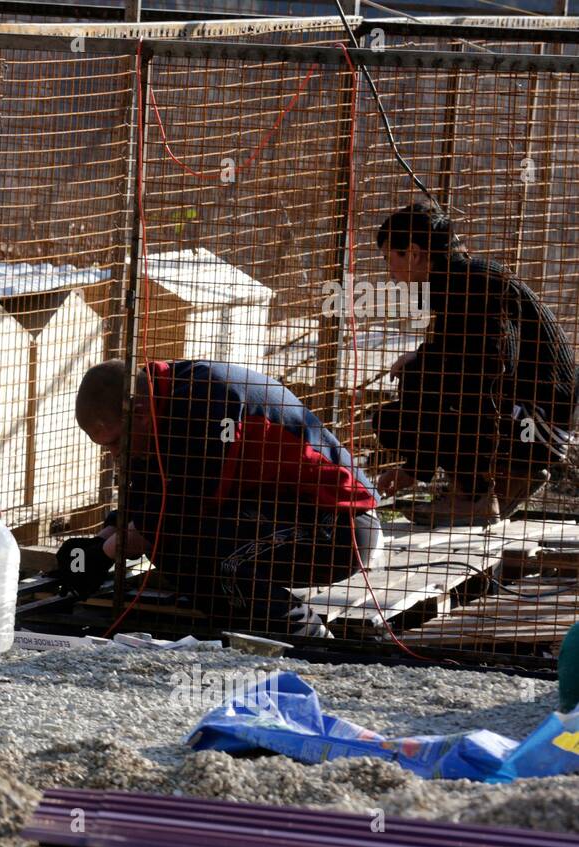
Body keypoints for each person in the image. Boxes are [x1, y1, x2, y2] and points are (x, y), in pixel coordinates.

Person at [57, 358, 382, 642]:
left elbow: (184, 508)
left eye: (115, 443)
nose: (115, 455)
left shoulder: (210, 402)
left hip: (342, 527)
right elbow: (148, 493)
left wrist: (109, 549)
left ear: (138, 414)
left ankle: (307, 638)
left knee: (195, 546)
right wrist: (100, 543)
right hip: (284, 509)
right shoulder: (162, 398)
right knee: (172, 544)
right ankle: (242, 627)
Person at [372, 200, 578, 526]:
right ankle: (487, 486)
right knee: (396, 414)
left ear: (413, 252)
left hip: (539, 424)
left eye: (389, 258)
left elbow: (491, 368)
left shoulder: (475, 286)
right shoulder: (459, 283)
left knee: (428, 382)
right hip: (528, 417)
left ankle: (479, 495)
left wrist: (424, 362)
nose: (389, 271)